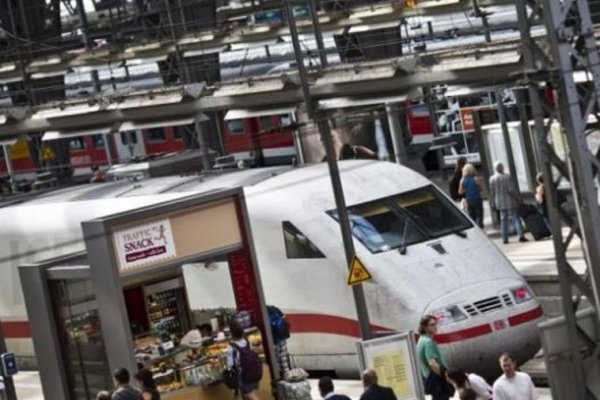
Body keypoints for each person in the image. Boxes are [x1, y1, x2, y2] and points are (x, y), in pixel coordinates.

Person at [416, 315, 454, 400]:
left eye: (435, 324)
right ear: (424, 327)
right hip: (437, 381)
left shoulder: (421, 340)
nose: (435, 327)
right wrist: (445, 376)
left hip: (429, 380)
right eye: (432, 325)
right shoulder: (428, 342)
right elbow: (432, 363)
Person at [489, 161, 528, 244]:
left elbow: (492, 193)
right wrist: (517, 198)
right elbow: (511, 190)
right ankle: (521, 236)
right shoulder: (508, 177)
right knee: (516, 218)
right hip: (510, 201)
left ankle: (505, 239)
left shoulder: (492, 179)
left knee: (503, 220)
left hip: (499, 202)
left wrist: (493, 203)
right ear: (502, 167)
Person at [227, 322, 262, 400]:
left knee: (250, 394)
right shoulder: (247, 341)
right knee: (251, 393)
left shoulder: (231, 347)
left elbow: (230, 365)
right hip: (255, 370)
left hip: (244, 375)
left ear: (231, 334)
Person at [459, 163, 484, 229]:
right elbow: (481, 188)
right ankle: (480, 228)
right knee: (479, 215)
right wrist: (476, 188)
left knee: (472, 216)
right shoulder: (475, 179)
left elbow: (460, 192)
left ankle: (475, 229)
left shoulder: (462, 180)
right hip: (477, 199)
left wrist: (467, 190)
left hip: (469, 200)